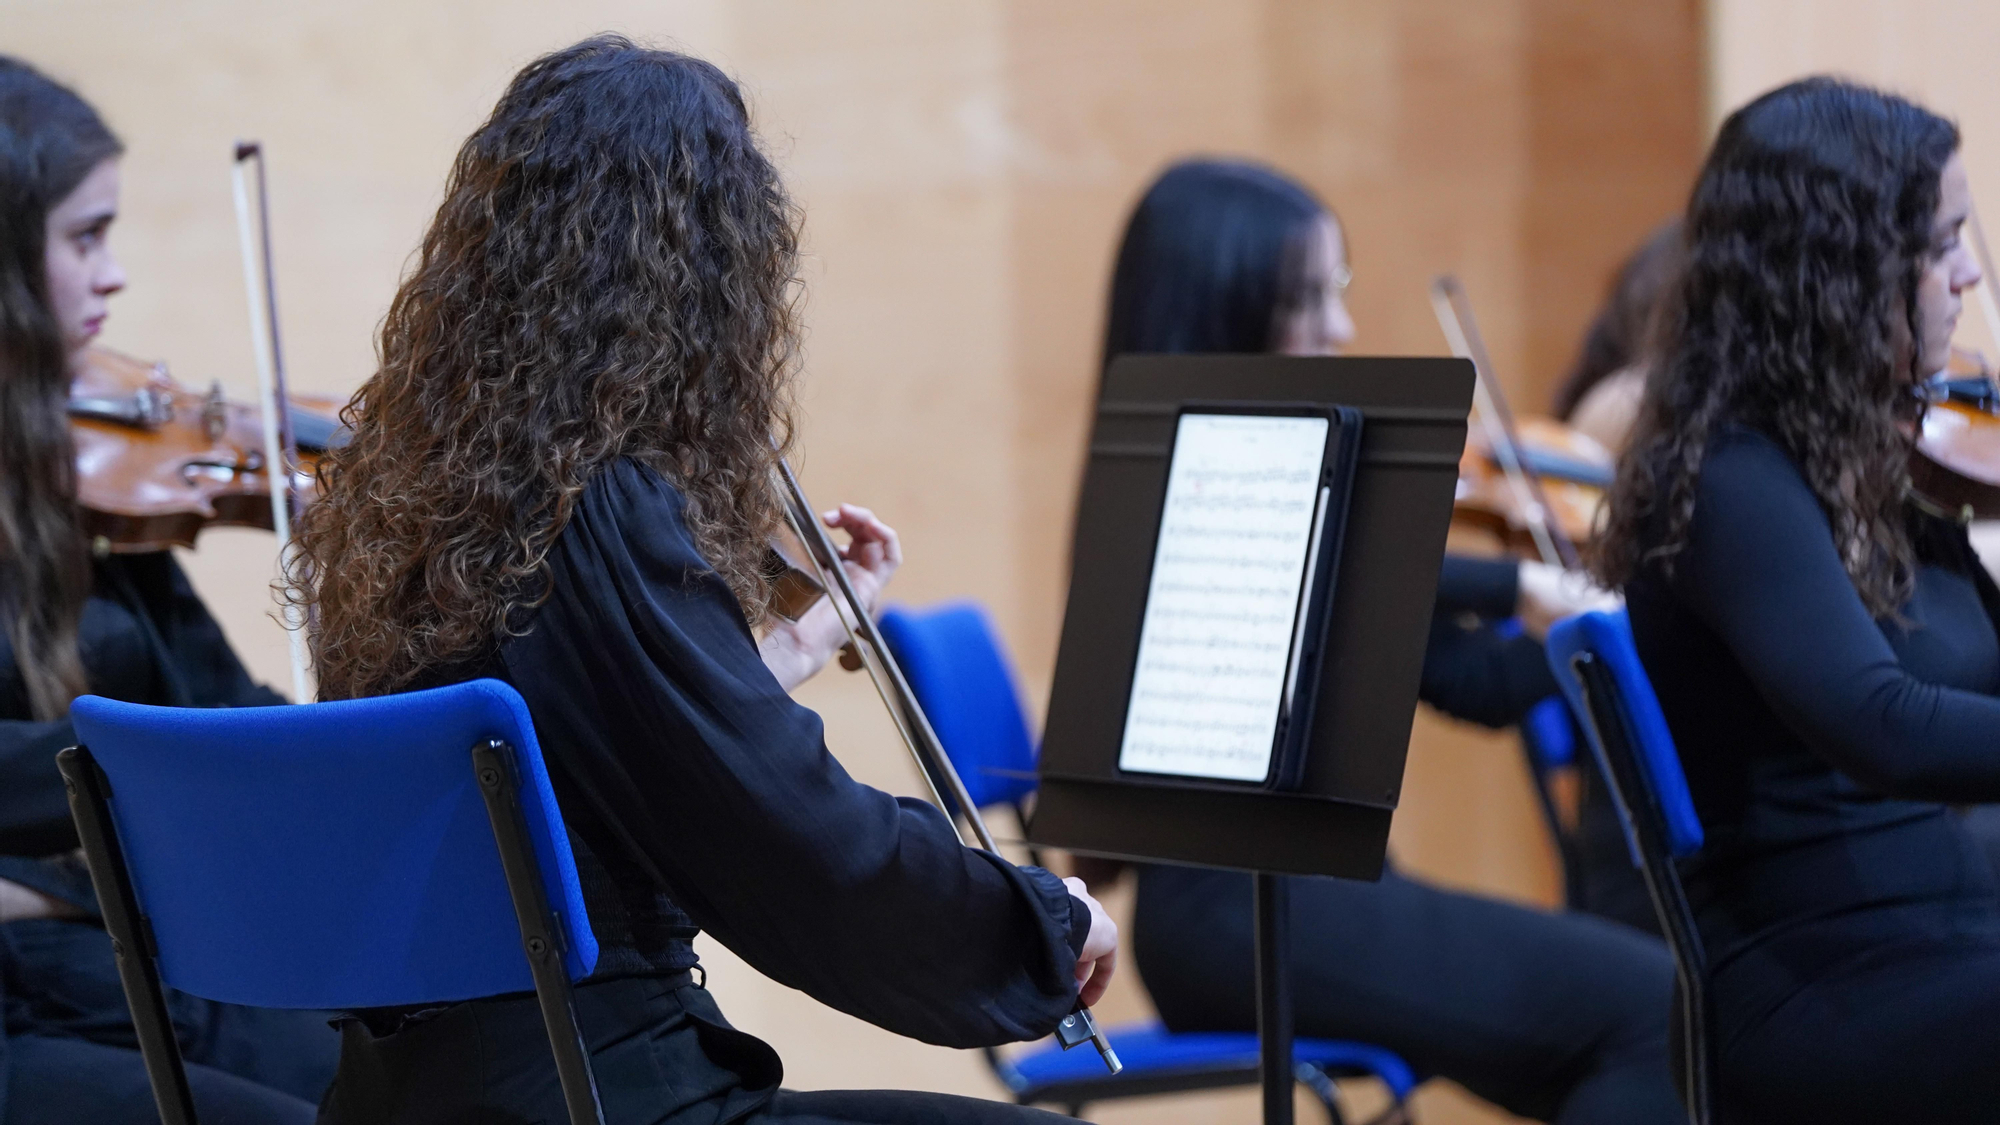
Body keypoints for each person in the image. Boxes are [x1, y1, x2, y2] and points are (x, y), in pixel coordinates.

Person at [290, 36, 1116, 1124]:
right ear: (708, 277)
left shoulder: (402, 497)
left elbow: (602, 761)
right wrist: (1038, 917)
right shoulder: (596, 508)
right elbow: (798, 846)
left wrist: (789, 649)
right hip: (602, 1095)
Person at [1105, 159, 1683, 1125]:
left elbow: (1481, 684)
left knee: (1635, 1023)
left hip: (1324, 893)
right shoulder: (1191, 485)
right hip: (1229, 914)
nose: (1341, 329)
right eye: (1306, 299)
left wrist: (1625, 611)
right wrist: (1517, 580)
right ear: (1227, 306)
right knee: (1652, 1011)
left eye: (1338, 291)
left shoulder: (1319, 488)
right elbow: (1340, 557)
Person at [1594, 77, 2000, 1120]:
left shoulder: (1881, 454)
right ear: (1843, 269)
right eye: (1943, 242)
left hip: (1946, 932)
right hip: (1822, 984)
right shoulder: (1730, 481)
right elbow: (1885, 726)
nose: (1966, 274)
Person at [0, 57, 338, 1123]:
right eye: (85, 237)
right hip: (31, 1001)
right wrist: (150, 768)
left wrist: (387, 733)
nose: (115, 278)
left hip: (113, 945)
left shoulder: (78, 473)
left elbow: (220, 708)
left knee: (429, 1063)